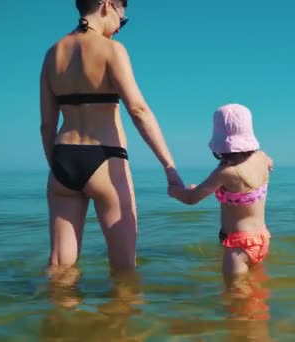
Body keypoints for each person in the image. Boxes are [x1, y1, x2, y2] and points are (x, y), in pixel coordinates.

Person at [39, 0, 182, 275]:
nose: (119, 29)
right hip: (105, 159)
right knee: (124, 270)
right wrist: (169, 167)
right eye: (122, 19)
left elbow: (47, 124)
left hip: (63, 158)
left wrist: (56, 167)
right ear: (107, 5)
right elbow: (138, 110)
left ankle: (58, 316)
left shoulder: (51, 54)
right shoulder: (112, 51)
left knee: (60, 267)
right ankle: (119, 317)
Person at [168, 104, 273, 280]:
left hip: (239, 248)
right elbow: (270, 163)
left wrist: (175, 191)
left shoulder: (226, 173)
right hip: (262, 239)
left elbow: (192, 199)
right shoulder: (261, 158)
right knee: (256, 293)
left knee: (234, 300)